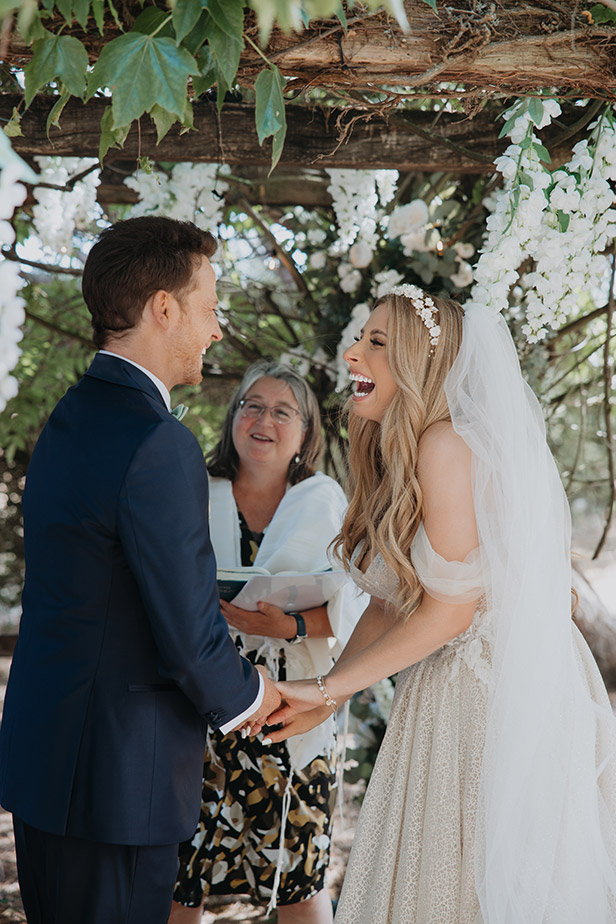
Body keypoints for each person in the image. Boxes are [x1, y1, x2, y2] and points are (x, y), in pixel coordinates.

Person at [266, 285, 616, 923]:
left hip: (485, 697)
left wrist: (326, 687)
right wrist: (330, 689)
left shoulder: (447, 444)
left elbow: (451, 611)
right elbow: (393, 602)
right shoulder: (408, 447)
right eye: (359, 339)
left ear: (422, 363)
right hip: (445, 684)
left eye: (376, 343)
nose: (351, 355)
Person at [0, 216, 280, 924]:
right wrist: (257, 697)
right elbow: (187, 632)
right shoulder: (159, 442)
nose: (216, 329)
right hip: (118, 782)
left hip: (49, 763)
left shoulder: (69, 419)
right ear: (164, 308)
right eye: (210, 308)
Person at [170, 361, 365, 924]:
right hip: (195, 711)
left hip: (288, 714)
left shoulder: (327, 503)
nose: (264, 419)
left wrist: (291, 626)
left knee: (300, 882)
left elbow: (358, 611)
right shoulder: (190, 490)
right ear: (233, 417)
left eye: (283, 411)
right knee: (181, 879)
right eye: (252, 405)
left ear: (305, 434)